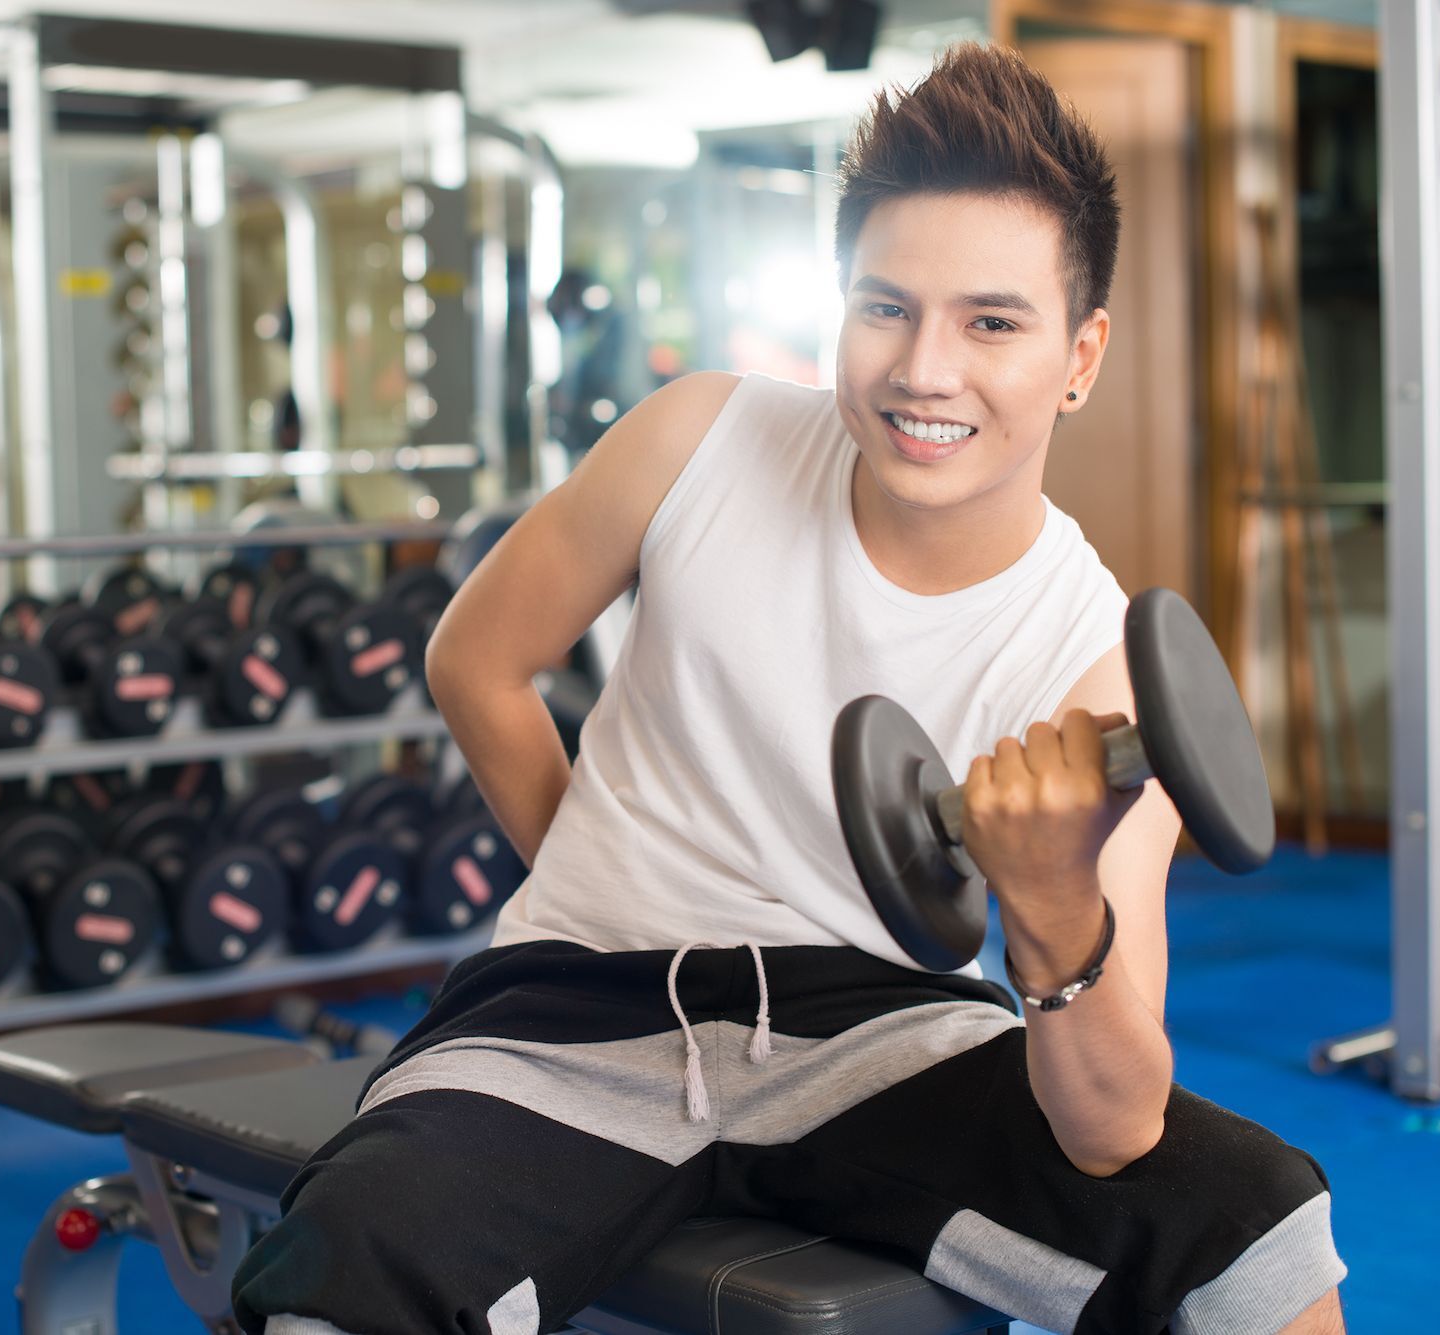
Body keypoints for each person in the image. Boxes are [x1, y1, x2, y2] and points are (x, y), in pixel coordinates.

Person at [234, 43, 1346, 1335]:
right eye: (885, 307)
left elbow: (1109, 1131)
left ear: (1080, 354)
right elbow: (475, 658)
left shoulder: (1096, 667)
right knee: (349, 1273)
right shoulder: (698, 435)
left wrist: (1047, 911)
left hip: (875, 1028)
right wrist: (605, 880)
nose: (925, 369)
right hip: (571, 1015)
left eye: (992, 322)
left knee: (1250, 1230)